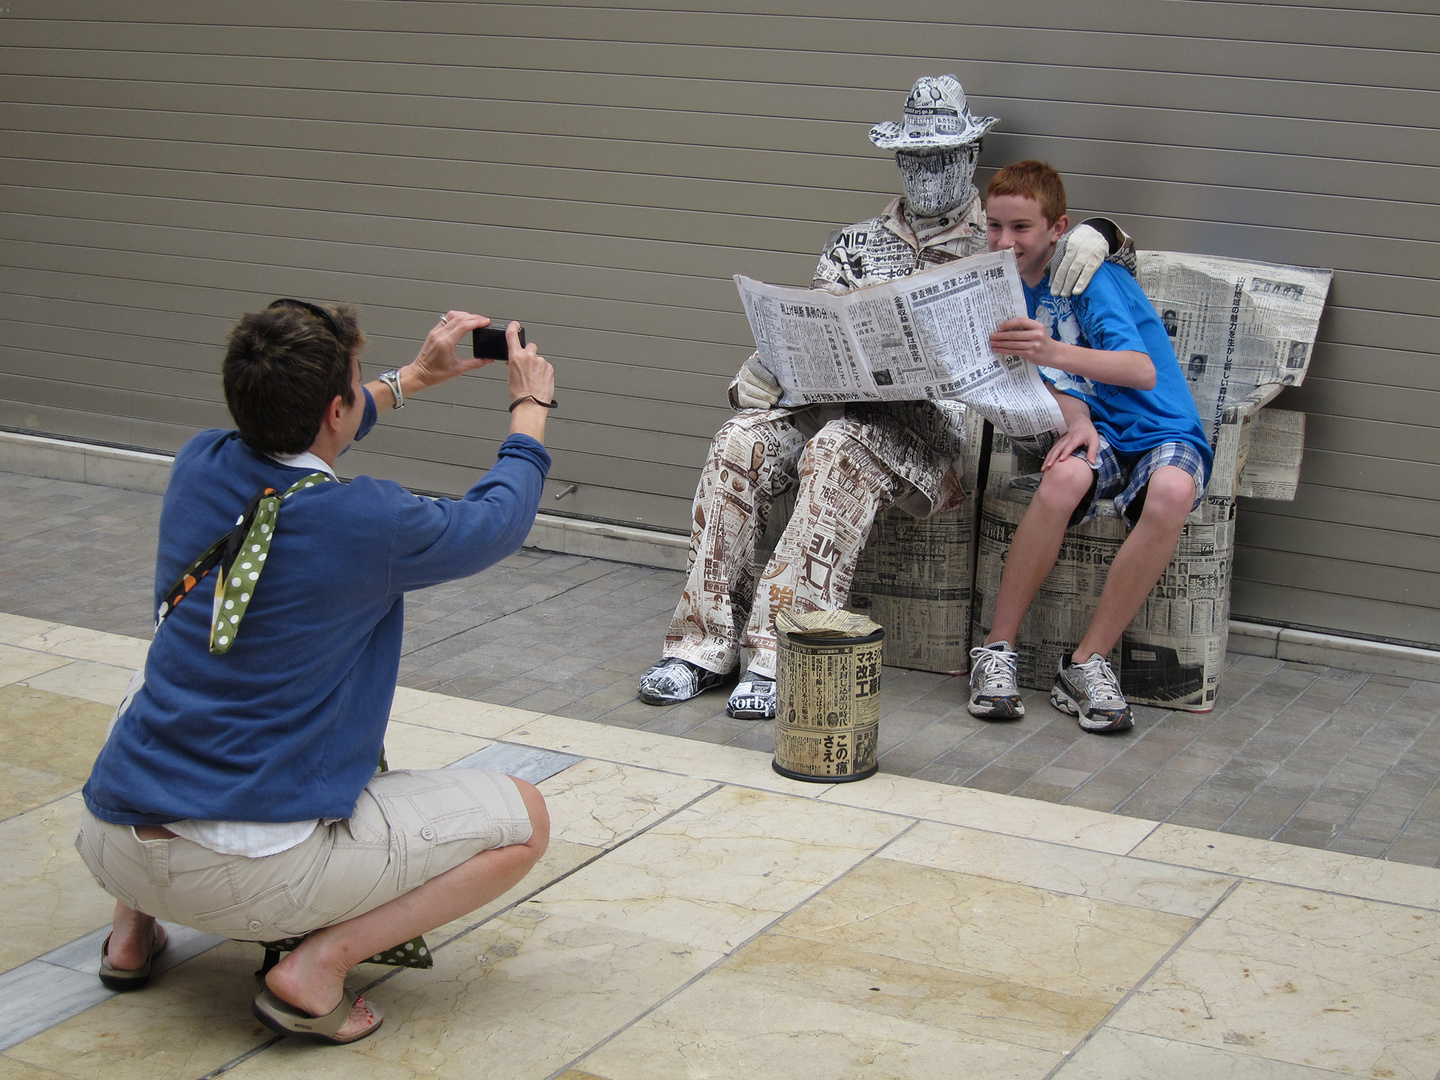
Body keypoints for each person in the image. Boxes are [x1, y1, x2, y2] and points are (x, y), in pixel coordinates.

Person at [75, 299, 558, 1044]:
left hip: (110, 843)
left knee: (161, 685)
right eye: (358, 388)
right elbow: (495, 521)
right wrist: (530, 408)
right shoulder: (369, 523)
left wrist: (410, 380)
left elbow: (295, 435)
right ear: (336, 409)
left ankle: (131, 936)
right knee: (523, 819)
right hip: (255, 882)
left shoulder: (199, 463)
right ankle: (315, 968)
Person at [637, 75, 1126, 720]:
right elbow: (813, 337)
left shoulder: (1001, 234)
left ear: (971, 158)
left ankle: (780, 652)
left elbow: (1101, 261)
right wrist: (762, 373)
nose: (927, 170)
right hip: (839, 405)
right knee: (739, 440)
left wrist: (1104, 233)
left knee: (843, 444)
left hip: (939, 438)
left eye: (944, 155)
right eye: (914, 157)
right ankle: (701, 644)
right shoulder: (854, 245)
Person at [970, 161, 1212, 734]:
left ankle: (1085, 664)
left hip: (1161, 430)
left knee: (1173, 490)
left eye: (1021, 228)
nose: (1006, 241)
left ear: (1058, 229)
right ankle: (996, 651)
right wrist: (1076, 420)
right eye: (994, 226)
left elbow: (1140, 370)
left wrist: (1050, 351)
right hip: (1097, 430)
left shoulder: (1089, 276)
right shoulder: (1003, 290)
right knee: (1063, 478)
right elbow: (1053, 385)